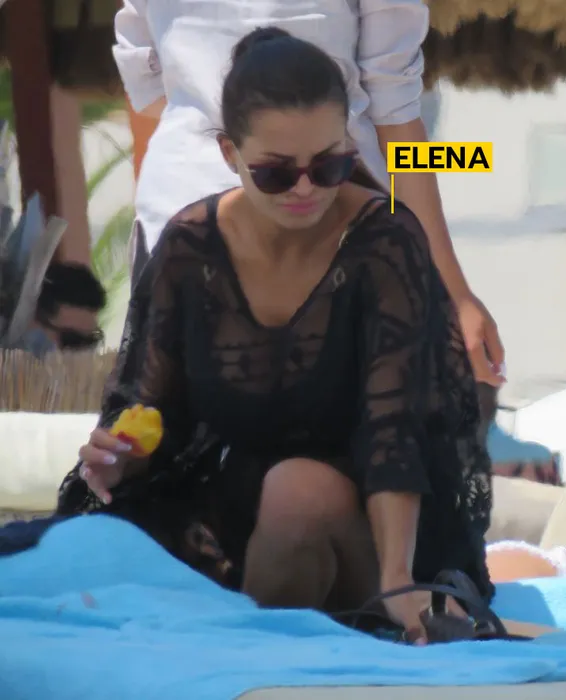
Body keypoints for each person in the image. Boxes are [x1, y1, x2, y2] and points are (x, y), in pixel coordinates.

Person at [56, 29, 493, 646]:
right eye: (275, 173)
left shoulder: (382, 241)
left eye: (329, 165)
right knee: (84, 555)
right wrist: (120, 455)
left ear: (348, 147)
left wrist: (399, 580)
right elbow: (151, 412)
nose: (307, 189)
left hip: (373, 533)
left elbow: (393, 430)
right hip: (231, 519)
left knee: (298, 491)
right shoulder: (189, 248)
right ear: (229, 153)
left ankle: (247, 651)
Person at [113, 0, 505, 388]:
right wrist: (451, 291)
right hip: (322, 231)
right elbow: (395, 121)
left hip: (177, 221)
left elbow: (148, 93)